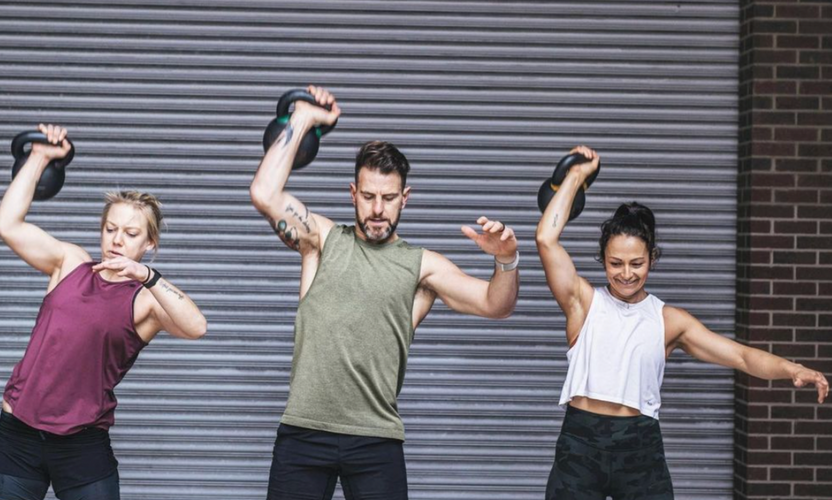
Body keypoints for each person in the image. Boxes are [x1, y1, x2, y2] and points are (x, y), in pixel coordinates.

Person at [250, 86, 520, 500]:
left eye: (389, 198)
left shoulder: (422, 265)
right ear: (353, 194)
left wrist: (506, 260)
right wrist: (303, 118)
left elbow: (495, 305)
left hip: (375, 438)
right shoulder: (321, 239)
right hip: (305, 431)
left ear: (404, 199)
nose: (378, 209)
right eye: (369, 197)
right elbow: (265, 194)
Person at [535, 146, 829, 500]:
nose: (626, 274)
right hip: (580, 444)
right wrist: (576, 177)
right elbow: (545, 238)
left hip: (639, 448)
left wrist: (791, 368)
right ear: (603, 260)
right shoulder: (583, 303)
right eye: (615, 263)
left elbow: (740, 356)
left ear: (652, 259)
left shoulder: (669, 320)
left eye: (636, 263)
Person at [0, 124, 208, 500]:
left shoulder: (146, 300)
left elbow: (197, 327)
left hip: (82, 445)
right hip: (18, 433)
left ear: (149, 242)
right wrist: (39, 157)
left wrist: (149, 276)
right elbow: (6, 224)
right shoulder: (71, 263)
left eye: (131, 233)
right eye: (110, 228)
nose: (117, 239)